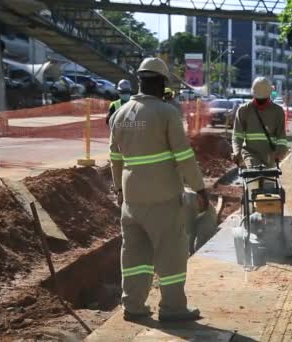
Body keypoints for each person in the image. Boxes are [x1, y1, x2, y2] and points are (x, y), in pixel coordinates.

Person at [109, 57, 208, 322]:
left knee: (134, 254)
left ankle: (133, 306)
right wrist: (199, 188)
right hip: (162, 196)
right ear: (162, 83)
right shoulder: (166, 113)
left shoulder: (119, 114)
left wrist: (119, 189)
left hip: (131, 198)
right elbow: (184, 156)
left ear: (139, 80)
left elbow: (115, 158)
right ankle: (173, 308)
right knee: (171, 251)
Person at [231, 77, 288, 168]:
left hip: (270, 155)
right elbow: (238, 135)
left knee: (268, 180)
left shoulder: (277, 111)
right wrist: (237, 152)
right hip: (250, 154)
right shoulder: (244, 110)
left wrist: (280, 151)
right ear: (270, 93)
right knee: (254, 176)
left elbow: (281, 138)